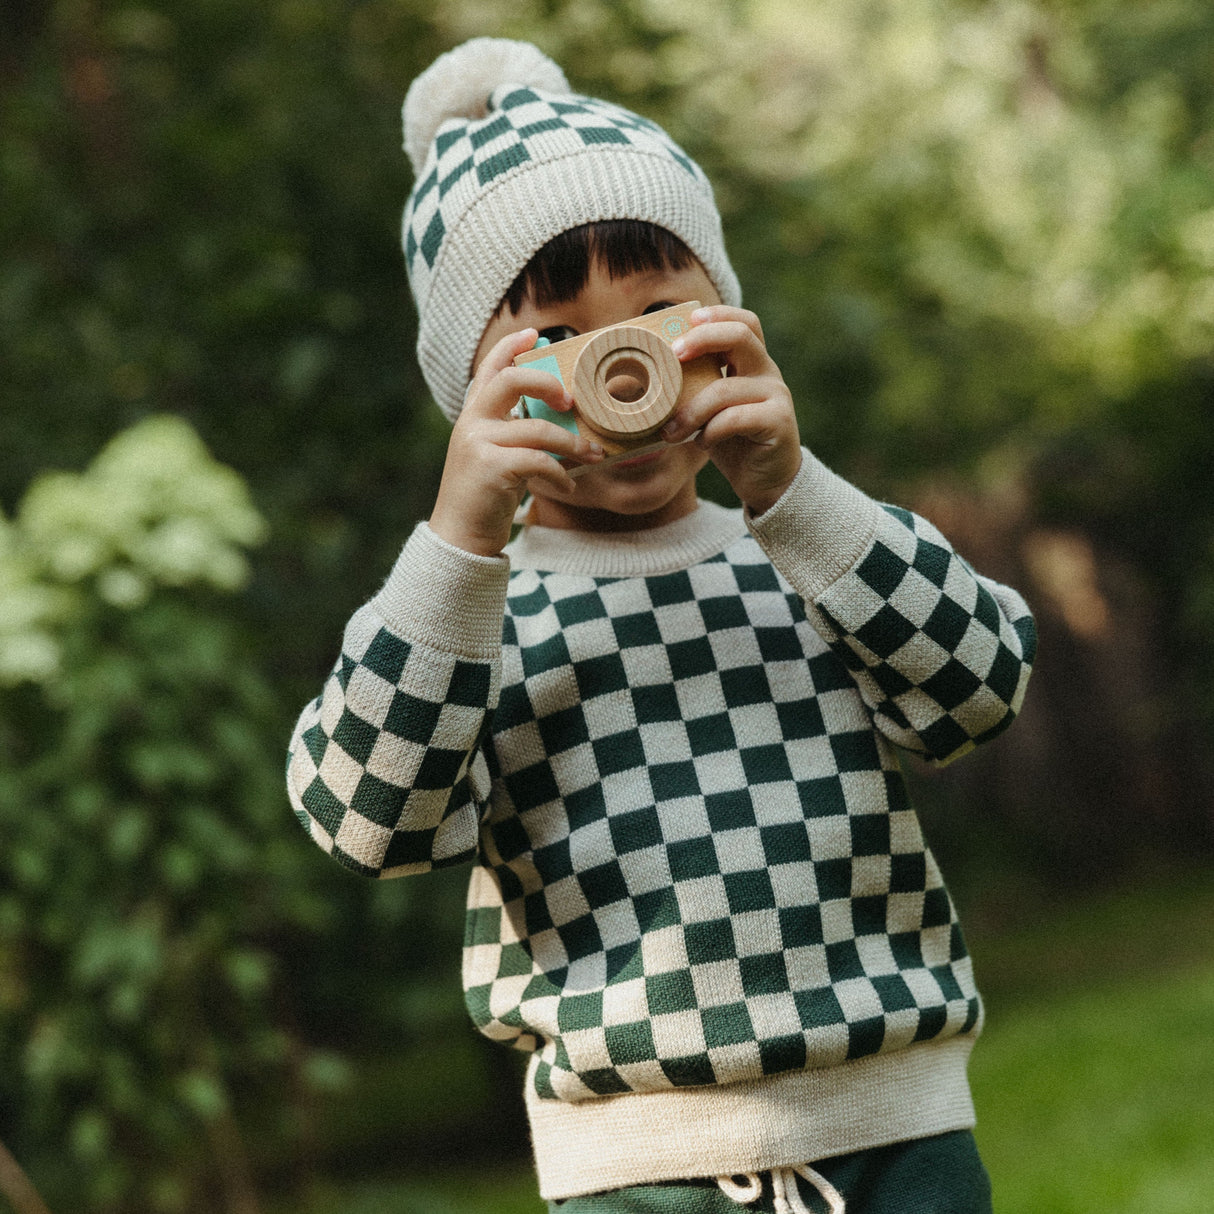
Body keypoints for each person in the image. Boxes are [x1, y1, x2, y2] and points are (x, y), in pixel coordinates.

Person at [287, 37, 1036, 1214]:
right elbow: (364, 820)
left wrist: (795, 490)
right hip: (635, 1168)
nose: (616, 363)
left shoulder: (811, 544)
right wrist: (455, 540)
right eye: (553, 336)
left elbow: (982, 685)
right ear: (468, 394)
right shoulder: (469, 610)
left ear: (729, 328)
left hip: (901, 1131)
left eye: (658, 314)